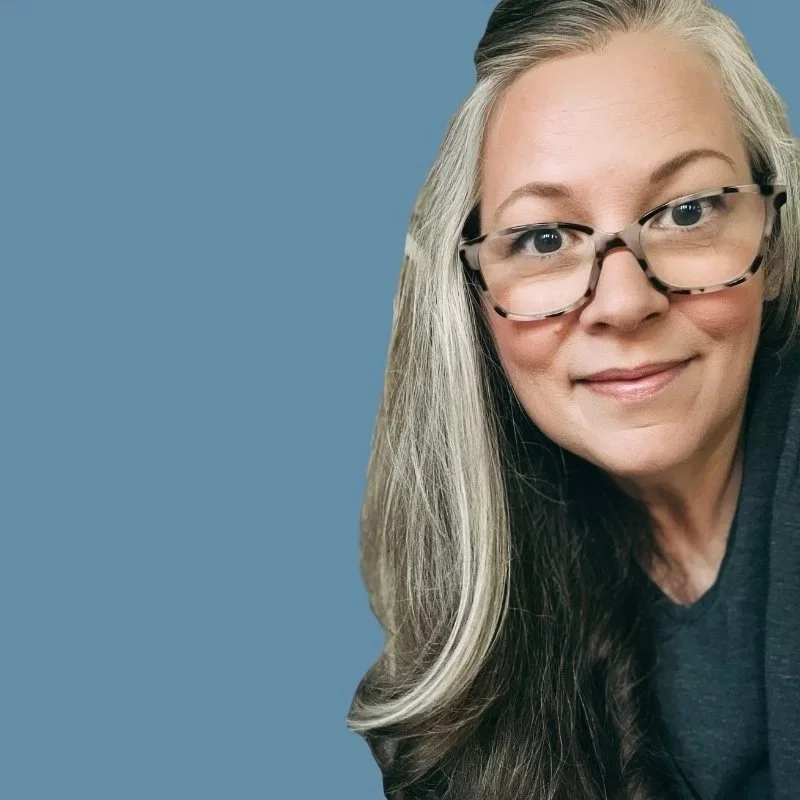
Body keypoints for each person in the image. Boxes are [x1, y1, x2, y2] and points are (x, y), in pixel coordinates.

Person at [347, 1, 800, 798]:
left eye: (687, 212)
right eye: (545, 238)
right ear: (471, 301)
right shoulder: (466, 667)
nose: (624, 303)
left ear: (771, 230)